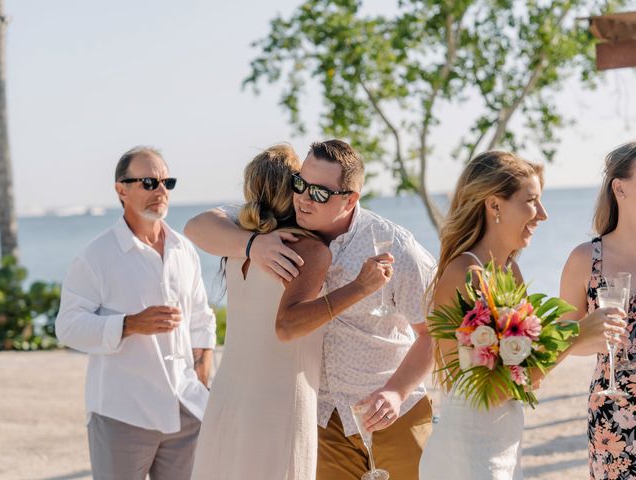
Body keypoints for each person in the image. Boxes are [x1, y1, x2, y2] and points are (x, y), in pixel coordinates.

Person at [186, 139, 435, 480]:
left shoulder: (396, 247)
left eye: (319, 193)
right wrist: (252, 245)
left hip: (390, 412)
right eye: (300, 184)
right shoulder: (278, 228)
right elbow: (198, 225)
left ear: (350, 199)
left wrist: (396, 392)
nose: (303, 197)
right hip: (322, 420)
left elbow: (433, 331)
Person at [419, 150, 626, 480]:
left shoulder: (509, 270)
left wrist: (572, 341)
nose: (542, 214)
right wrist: (575, 335)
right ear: (495, 205)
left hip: (504, 444)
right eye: (531, 201)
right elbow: (497, 388)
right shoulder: (467, 274)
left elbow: (529, 378)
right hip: (468, 450)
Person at [55, 146, 216, 480]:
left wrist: (202, 377)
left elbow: (201, 316)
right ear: (121, 190)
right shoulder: (96, 256)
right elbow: (67, 327)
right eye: (148, 182)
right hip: (123, 415)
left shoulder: (183, 249)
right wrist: (129, 325)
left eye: (166, 182)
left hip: (186, 411)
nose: (160, 190)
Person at [560, 142, 636, 479]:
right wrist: (594, 335)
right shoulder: (584, 260)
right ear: (619, 187)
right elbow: (559, 341)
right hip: (613, 411)